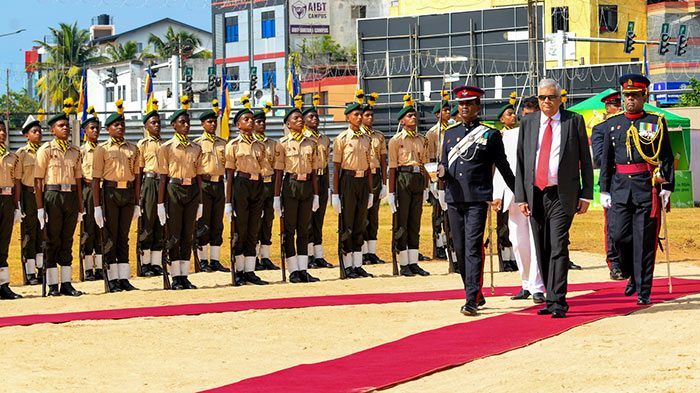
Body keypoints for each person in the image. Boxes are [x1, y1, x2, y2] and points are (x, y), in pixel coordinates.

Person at [514, 79, 593, 318]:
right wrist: (521, 196)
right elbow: (521, 160)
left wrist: (586, 194)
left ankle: (558, 301)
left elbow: (585, 160)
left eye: (551, 97)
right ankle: (550, 297)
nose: (546, 102)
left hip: (563, 194)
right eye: (542, 98)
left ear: (560, 99)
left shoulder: (573, 121)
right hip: (535, 194)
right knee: (543, 247)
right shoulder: (528, 122)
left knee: (558, 246)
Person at [437, 86, 513, 315]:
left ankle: (470, 298)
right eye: (461, 104)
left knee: (472, 248)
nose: (464, 107)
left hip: (477, 199)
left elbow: (503, 166)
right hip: (454, 198)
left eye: (469, 104)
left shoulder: (489, 134)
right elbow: (443, 164)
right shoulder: (449, 134)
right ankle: (474, 292)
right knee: (459, 249)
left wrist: (518, 192)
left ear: (478, 107)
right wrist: (440, 178)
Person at [599, 74, 674, 305]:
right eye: (627, 95)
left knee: (645, 241)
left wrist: (668, 186)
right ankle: (631, 272)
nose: (630, 99)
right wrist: (604, 190)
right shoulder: (613, 123)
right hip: (620, 187)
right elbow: (606, 161)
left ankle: (643, 290)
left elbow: (666, 156)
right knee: (620, 237)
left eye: (634, 95)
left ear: (644, 96)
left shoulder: (655, 121)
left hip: (646, 187)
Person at [492, 104, 545, 304]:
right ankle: (526, 284)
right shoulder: (511, 136)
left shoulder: (544, 134)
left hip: (537, 194)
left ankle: (538, 285)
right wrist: (497, 194)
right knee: (518, 241)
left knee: (535, 240)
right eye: (527, 115)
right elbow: (501, 166)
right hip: (514, 194)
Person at [34, 110, 84, 297]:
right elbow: (38, 180)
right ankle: (53, 285)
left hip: (70, 196)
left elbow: (78, 180)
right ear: (52, 130)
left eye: (67, 125)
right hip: (52, 196)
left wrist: (80, 206)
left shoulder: (75, 151)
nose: (65, 128)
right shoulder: (45, 150)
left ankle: (67, 283)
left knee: (67, 240)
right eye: (61, 126)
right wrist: (40, 208)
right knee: (53, 239)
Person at [92, 108, 141, 292]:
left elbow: (137, 178)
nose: (120, 127)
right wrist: (97, 206)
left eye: (122, 124)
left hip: (127, 194)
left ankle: (123, 277)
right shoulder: (102, 150)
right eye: (116, 125)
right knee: (110, 236)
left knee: (123, 236)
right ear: (108, 129)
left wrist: (137, 202)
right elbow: (96, 180)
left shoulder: (133, 149)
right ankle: (111, 277)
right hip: (110, 193)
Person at [157, 101, 203, 290]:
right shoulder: (166, 148)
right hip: (174, 190)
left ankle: (184, 274)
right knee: (174, 233)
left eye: (187, 123)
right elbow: (162, 178)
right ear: (174, 125)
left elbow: (199, 176)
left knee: (188, 234)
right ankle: (175, 275)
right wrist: (160, 203)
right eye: (182, 122)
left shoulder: (196, 148)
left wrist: (200, 201)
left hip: (191, 190)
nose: (186, 126)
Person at [273, 107, 321, 283]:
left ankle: (303, 269)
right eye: (296, 118)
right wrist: (276, 197)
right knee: (290, 229)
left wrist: (316, 194)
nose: (300, 120)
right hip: (291, 185)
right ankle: (293, 269)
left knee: (304, 229)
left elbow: (314, 171)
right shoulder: (283, 143)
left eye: (301, 118)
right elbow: (278, 172)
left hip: (307, 185)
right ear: (288, 124)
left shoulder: (311, 143)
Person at [224, 102, 268, 286]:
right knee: (240, 230)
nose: (250, 122)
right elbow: (229, 175)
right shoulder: (233, 145)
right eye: (246, 119)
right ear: (238, 125)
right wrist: (228, 202)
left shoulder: (260, 146)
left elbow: (265, 171)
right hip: (240, 185)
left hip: (257, 185)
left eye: (251, 119)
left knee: (253, 229)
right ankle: (239, 270)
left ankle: (250, 271)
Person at [388, 96, 430, 277]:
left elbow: (426, 166)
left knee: (415, 221)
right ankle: (403, 262)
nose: (413, 118)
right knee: (402, 222)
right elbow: (392, 168)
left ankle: (414, 262)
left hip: (418, 179)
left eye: (414, 115)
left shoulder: (423, 139)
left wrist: (427, 187)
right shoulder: (396, 140)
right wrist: (390, 192)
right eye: (409, 116)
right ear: (402, 121)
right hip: (402, 179)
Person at [332, 99, 374, 279]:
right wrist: (335, 194)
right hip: (348, 181)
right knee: (347, 225)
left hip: (363, 181)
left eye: (360, 115)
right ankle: (347, 264)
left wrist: (371, 191)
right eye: (355, 115)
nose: (359, 118)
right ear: (348, 118)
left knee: (360, 224)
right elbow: (336, 168)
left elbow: (370, 166)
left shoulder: (367, 139)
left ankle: (358, 264)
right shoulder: (341, 139)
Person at [590, 91, 624, 280]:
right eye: (614, 104)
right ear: (607, 108)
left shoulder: (633, 125)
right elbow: (599, 158)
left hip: (634, 182)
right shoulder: (601, 129)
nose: (618, 107)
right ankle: (615, 264)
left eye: (620, 103)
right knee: (613, 226)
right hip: (612, 182)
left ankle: (630, 262)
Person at [193, 105, 229, 273]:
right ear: (202, 124)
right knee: (203, 223)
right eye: (209, 122)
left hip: (219, 184)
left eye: (214, 122)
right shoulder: (198, 144)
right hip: (204, 184)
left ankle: (215, 260)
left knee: (217, 223)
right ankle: (203, 261)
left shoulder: (223, 143)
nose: (213, 124)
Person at [302, 98, 333, 269]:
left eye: (316, 117)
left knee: (319, 219)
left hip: (321, 180)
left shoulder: (324, 139)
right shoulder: (304, 139)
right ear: (305, 121)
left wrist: (328, 187)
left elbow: (326, 163)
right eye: (311, 117)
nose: (315, 119)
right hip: (308, 179)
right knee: (308, 219)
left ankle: (319, 255)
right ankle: (308, 255)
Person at [16, 116, 44, 285]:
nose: (38, 134)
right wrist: (18, 203)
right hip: (28, 195)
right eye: (34, 132)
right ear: (26, 136)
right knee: (29, 233)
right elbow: (18, 180)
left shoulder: (45, 151)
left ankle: (41, 269)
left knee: (42, 232)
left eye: (40, 131)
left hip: (43, 195)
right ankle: (29, 272)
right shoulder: (21, 154)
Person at [253, 103, 281, 271]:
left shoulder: (272, 144)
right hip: (255, 185)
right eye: (258, 122)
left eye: (263, 121)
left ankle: (266, 256)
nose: (261, 124)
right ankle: (253, 256)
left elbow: (277, 169)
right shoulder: (250, 144)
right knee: (255, 221)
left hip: (269, 185)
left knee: (268, 220)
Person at [360, 93, 387, 265]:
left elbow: (383, 160)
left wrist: (384, 183)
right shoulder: (358, 135)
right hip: (362, 177)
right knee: (363, 216)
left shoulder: (379, 136)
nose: (370, 118)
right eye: (366, 115)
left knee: (374, 216)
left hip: (376, 176)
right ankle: (361, 252)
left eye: (372, 115)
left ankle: (372, 252)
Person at [136, 110, 164, 277]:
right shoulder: (143, 144)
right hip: (149, 182)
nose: (156, 125)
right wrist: (139, 194)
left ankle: (156, 262)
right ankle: (145, 263)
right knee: (148, 221)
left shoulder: (165, 144)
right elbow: (139, 171)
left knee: (160, 223)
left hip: (163, 182)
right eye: (153, 123)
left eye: (158, 122)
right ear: (146, 127)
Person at [493, 103, 518, 272]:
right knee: (503, 222)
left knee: (514, 221)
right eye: (509, 114)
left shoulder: (520, 134)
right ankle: (505, 256)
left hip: (515, 179)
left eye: (514, 113)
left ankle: (514, 256)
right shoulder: (499, 136)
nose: (513, 116)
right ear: (502, 119)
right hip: (501, 180)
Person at [79, 109, 103, 281]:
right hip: (87, 190)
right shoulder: (80, 152)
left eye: (97, 128)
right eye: (92, 128)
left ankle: (100, 267)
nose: (95, 131)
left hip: (103, 189)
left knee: (102, 229)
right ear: (85, 132)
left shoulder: (104, 150)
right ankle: (88, 268)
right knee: (88, 230)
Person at [425, 95, 451, 261]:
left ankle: (449, 243)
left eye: (448, 110)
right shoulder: (433, 133)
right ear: (437, 114)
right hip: (437, 176)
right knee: (437, 215)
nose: (447, 112)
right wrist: (433, 182)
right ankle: (438, 246)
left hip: (449, 175)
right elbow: (430, 159)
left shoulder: (453, 128)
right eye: (444, 110)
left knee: (448, 213)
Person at [0, 121, 22, 299]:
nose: (2, 133)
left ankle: (4, 285)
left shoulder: (12, 157)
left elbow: (16, 184)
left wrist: (16, 206)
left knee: (4, 243)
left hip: (7, 200)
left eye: (4, 130)